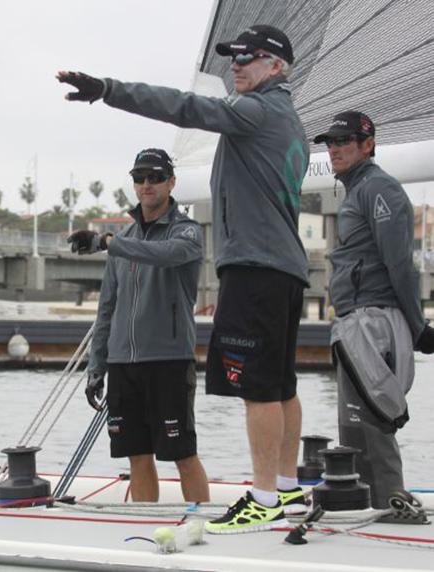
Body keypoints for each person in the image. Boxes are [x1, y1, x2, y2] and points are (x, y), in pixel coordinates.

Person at [58, 24, 309, 532]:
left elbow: (182, 106)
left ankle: (263, 497)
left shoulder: (256, 112)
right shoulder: (291, 121)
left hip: (255, 267)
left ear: (277, 66)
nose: (235, 65)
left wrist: (108, 90)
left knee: (258, 386)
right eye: (232, 57)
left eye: (248, 57)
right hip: (283, 268)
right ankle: (287, 488)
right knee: (281, 383)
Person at [68, 148, 210, 503]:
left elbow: (164, 255)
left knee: (182, 454)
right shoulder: (124, 241)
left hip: (168, 361)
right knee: (137, 455)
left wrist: (109, 243)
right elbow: (107, 309)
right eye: (139, 178)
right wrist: (96, 366)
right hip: (123, 364)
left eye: (156, 177)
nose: (147, 184)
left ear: (171, 182)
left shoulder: (188, 233)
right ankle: (144, 526)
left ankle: (205, 527)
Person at [313, 112, 434, 508]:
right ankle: (362, 508)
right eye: (330, 142)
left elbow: (400, 264)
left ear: (368, 144)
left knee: (374, 424)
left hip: (373, 321)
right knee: (352, 427)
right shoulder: (357, 189)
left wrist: (419, 328)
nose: (334, 149)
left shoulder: (379, 188)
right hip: (353, 322)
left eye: (344, 141)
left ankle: (390, 507)